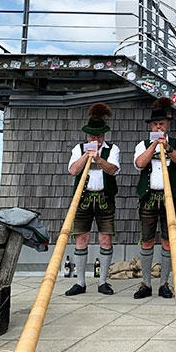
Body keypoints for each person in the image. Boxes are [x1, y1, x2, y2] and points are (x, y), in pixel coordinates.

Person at [133, 97, 176, 299]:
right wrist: (154, 145)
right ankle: (146, 284)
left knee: (168, 240)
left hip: (170, 197)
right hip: (148, 197)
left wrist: (168, 148)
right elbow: (140, 163)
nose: (158, 127)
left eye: (162, 124)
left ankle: (164, 283)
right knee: (147, 240)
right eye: (155, 124)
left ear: (167, 125)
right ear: (151, 126)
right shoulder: (142, 144)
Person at [66, 103, 120, 297]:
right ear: (87, 135)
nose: (94, 139)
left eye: (98, 136)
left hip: (105, 197)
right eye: (91, 136)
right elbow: (73, 170)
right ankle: (80, 282)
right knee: (81, 238)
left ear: (103, 135)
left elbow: (113, 170)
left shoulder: (112, 149)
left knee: (105, 238)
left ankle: (103, 282)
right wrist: (85, 156)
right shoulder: (78, 148)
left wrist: (97, 158)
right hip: (83, 198)